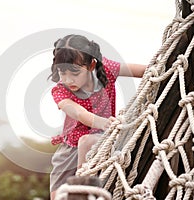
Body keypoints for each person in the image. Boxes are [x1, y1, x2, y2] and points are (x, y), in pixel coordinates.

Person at [48, 34, 146, 199]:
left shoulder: (107, 69)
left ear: (92, 65)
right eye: (62, 73)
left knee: (86, 141)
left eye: (75, 73)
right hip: (70, 146)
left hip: (102, 138)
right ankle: (79, 187)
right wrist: (103, 122)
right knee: (56, 194)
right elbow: (79, 113)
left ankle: (82, 183)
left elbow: (143, 71)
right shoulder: (60, 90)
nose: (68, 79)